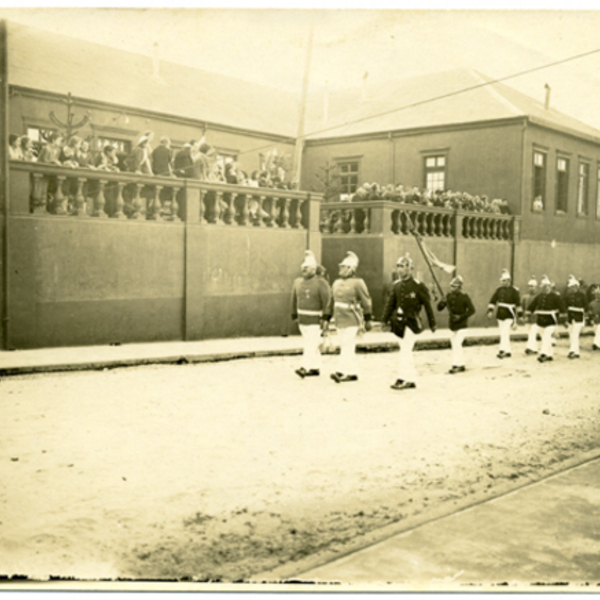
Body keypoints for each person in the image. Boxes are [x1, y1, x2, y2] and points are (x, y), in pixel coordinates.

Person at [382, 254, 436, 390]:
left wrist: (432, 322)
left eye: (403, 267)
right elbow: (390, 304)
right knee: (405, 351)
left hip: (412, 323)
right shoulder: (396, 285)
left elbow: (427, 305)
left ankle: (404, 378)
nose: (400, 269)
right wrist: (384, 319)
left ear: (410, 269)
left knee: (406, 350)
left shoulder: (418, 286)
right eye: (398, 266)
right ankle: (409, 379)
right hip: (398, 324)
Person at [329, 251, 373, 383]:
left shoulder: (358, 283)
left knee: (346, 345)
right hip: (339, 319)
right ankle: (353, 372)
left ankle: (340, 371)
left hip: (352, 319)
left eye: (343, 267)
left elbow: (366, 301)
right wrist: (326, 318)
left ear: (351, 269)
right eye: (340, 267)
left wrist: (368, 319)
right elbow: (331, 302)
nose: (340, 269)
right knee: (347, 346)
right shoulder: (336, 283)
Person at [290, 250, 332, 378]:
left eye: (306, 268)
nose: (303, 270)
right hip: (302, 319)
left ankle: (304, 367)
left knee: (310, 344)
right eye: (302, 267)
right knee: (310, 343)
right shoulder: (297, 282)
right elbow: (293, 299)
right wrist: (294, 314)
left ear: (313, 269)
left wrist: (326, 317)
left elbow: (327, 301)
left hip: (315, 320)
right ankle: (315, 367)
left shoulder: (321, 283)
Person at [442, 275, 476, 374]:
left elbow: (472, 310)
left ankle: (456, 365)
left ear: (459, 287)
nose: (452, 288)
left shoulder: (464, 297)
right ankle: (460, 364)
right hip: (452, 325)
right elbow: (439, 308)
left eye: (454, 286)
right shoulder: (448, 296)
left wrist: (461, 317)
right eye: (451, 286)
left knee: (457, 344)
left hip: (462, 325)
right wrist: (442, 302)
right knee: (455, 345)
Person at [527, 275, 565, 363]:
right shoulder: (539, 296)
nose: (544, 288)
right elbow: (532, 306)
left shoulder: (556, 296)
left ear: (549, 287)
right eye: (543, 287)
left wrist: (564, 321)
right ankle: (550, 354)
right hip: (540, 322)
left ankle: (543, 354)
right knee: (544, 338)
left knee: (547, 335)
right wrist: (527, 314)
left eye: (546, 286)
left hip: (551, 321)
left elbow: (562, 308)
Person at [486, 269, 521, 358]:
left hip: (509, 313)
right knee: (502, 332)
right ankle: (502, 349)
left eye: (504, 281)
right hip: (500, 314)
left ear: (509, 281)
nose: (502, 282)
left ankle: (507, 350)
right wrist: (490, 311)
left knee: (505, 332)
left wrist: (520, 315)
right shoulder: (498, 290)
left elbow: (518, 304)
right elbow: (493, 301)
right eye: (501, 281)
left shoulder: (514, 291)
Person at [563, 275, 588, 359]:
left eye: (573, 287)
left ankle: (572, 351)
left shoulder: (582, 295)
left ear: (576, 286)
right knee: (571, 334)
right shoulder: (568, 296)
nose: (571, 289)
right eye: (570, 288)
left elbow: (586, 307)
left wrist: (586, 318)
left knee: (575, 334)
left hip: (579, 318)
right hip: (571, 318)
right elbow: (565, 308)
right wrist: (566, 319)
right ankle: (576, 352)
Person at [521, 276, 540, 355]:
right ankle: (534, 349)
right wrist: (523, 316)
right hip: (528, 318)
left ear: (536, 287)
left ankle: (529, 347)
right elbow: (522, 307)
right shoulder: (525, 297)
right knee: (530, 333)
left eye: (532, 286)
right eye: (529, 286)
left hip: (536, 318)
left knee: (533, 333)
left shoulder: (539, 297)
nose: (531, 288)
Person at [587, 286, 600, 351]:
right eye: (597, 294)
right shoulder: (592, 303)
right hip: (595, 320)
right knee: (597, 332)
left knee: (599, 331)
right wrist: (591, 319)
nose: (598, 295)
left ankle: (596, 344)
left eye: (599, 294)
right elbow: (590, 312)